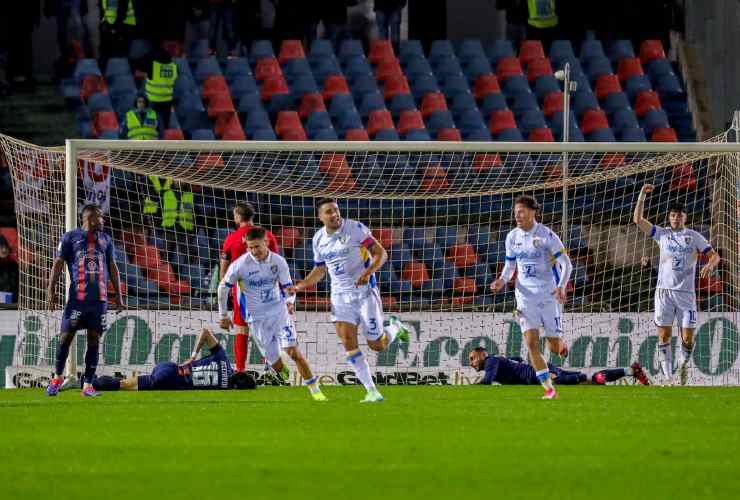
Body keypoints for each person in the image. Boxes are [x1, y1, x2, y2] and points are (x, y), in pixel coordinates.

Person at [288, 198, 409, 403]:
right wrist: (300, 285)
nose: (334, 214)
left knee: (377, 345)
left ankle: (395, 327)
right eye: (329, 212)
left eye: (336, 210)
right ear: (320, 216)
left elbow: (381, 253)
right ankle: (372, 391)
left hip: (365, 293)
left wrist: (368, 272)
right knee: (348, 343)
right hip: (340, 297)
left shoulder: (355, 228)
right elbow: (320, 270)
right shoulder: (318, 239)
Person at [218, 227, 327, 401]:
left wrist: (290, 303)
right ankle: (280, 369)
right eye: (250, 247)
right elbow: (223, 288)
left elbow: (288, 287)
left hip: (279, 314)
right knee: (276, 364)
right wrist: (223, 315)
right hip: (256, 320)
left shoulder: (279, 262)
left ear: (266, 242)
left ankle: (316, 391)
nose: (254, 251)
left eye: (257, 247)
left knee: (293, 352)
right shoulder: (239, 265)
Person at [633, 184, 720, 385]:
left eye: (679, 215)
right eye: (672, 215)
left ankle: (682, 367)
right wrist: (641, 196)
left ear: (685, 217)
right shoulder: (662, 234)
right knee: (664, 336)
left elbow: (714, 256)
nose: (675, 218)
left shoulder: (694, 236)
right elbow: (637, 220)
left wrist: (710, 264)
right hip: (663, 293)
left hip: (686, 295)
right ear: (669, 217)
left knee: (687, 338)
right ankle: (668, 378)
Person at [490, 195, 572, 399]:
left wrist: (561, 286)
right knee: (531, 344)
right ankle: (549, 389)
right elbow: (510, 265)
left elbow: (567, 264)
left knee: (553, 347)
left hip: (548, 295)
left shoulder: (546, 235)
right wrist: (501, 280)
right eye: (515, 212)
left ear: (532, 212)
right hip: (524, 297)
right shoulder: (512, 237)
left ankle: (560, 344)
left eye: (521, 212)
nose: (517, 216)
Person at [46, 204, 124, 397]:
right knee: (65, 337)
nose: (103, 220)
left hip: (100, 300)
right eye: (100, 217)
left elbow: (113, 267)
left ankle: (87, 384)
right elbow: (58, 263)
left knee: (94, 340)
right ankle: (56, 378)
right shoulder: (70, 237)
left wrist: (119, 296)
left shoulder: (106, 239)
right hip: (77, 299)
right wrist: (51, 289)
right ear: (90, 218)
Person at [91, 328, 257, 391]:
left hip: (171, 368)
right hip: (169, 381)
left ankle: (91, 382)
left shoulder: (223, 360)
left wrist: (193, 355)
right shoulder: (225, 389)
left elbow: (205, 331)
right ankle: (92, 384)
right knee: (123, 385)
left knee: (125, 382)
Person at [220, 202, 280, 373]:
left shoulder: (231, 238)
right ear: (252, 216)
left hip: (242, 291)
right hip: (265, 289)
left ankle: (240, 370)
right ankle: (271, 368)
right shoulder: (266, 235)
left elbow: (224, 268)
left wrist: (224, 288)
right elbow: (275, 261)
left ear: (238, 217)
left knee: (241, 330)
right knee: (268, 329)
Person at [468, 347, 650, 386]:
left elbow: (487, 381)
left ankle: (591, 378)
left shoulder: (491, 361)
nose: (471, 362)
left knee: (563, 380)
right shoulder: (497, 361)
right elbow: (516, 358)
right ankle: (630, 370)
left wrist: (471, 389)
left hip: (536, 374)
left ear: (483, 354)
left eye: (473, 358)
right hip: (537, 370)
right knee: (588, 379)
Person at [144, 48, 178, 130]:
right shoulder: (173, 67)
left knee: (151, 126)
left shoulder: (154, 66)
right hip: (167, 101)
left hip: (153, 101)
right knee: (165, 125)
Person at [98, 0, 137, 69]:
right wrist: (103, 23)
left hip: (124, 26)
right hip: (110, 27)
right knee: (108, 54)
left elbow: (122, 10)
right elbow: (104, 9)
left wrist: (115, 28)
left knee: (120, 56)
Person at [0, 235, 18, 302]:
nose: (4, 250)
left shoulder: (13, 264)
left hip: (12, 300)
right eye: (1, 247)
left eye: (6, 247)